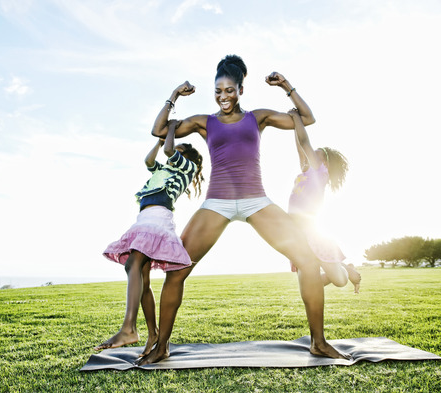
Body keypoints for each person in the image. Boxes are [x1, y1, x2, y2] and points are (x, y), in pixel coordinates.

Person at [137, 54, 349, 365]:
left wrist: (286, 85)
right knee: (177, 270)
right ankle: (162, 346)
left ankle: (319, 342)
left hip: (256, 199)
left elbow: (306, 117)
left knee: (307, 260)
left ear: (240, 90)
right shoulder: (204, 122)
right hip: (217, 202)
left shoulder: (257, 117)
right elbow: (159, 131)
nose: (223, 97)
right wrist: (174, 96)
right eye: (218, 91)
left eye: (230, 90)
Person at [95, 120, 204, 356]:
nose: (173, 152)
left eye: (179, 150)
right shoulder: (163, 170)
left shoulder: (187, 169)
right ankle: (152, 333)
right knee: (141, 278)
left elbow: (168, 151)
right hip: (143, 219)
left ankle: (128, 328)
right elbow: (149, 161)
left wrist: (171, 131)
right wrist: (159, 139)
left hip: (158, 219)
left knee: (132, 264)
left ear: (186, 156)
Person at [287, 108, 361, 294]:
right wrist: (296, 126)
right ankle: (340, 270)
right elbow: (300, 146)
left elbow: (305, 143)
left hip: (314, 234)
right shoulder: (307, 171)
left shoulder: (320, 174)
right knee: (308, 287)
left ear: (325, 164)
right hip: (297, 233)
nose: (311, 154)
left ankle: (347, 269)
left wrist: (297, 118)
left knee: (339, 281)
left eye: (316, 153)